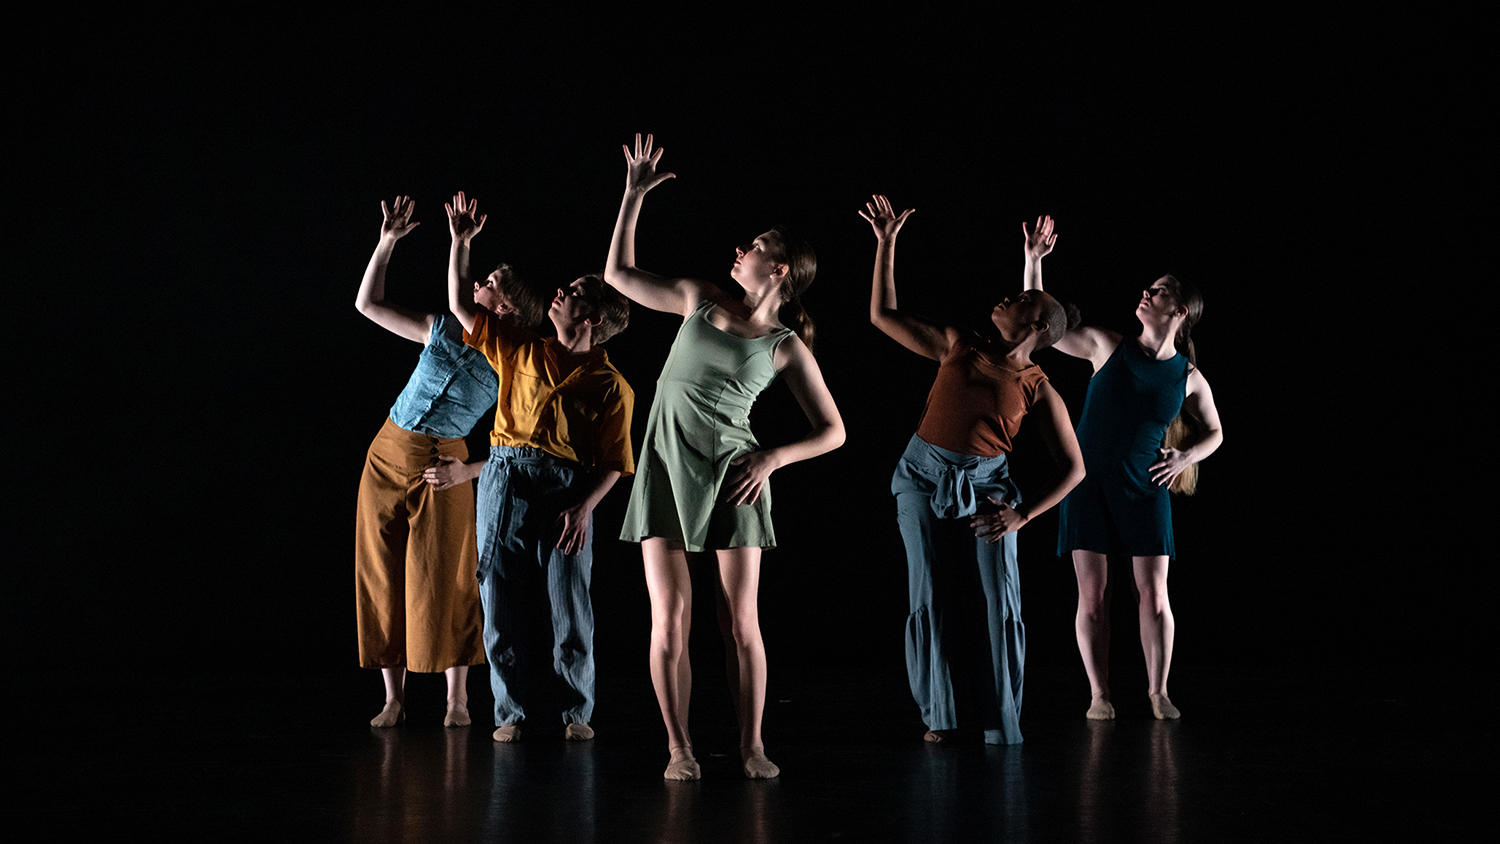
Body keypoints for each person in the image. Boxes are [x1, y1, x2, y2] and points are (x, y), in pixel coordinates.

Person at [605, 135, 845, 780]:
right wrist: (632, 196)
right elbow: (619, 276)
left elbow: (833, 431)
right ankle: (680, 749)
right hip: (665, 469)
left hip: (734, 476)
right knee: (670, 619)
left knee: (739, 622)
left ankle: (752, 747)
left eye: (755, 246)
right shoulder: (699, 297)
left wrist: (771, 460)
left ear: (780, 270)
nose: (741, 250)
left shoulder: (785, 344)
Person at [861, 195, 1086, 745]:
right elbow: (882, 316)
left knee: (999, 600)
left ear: (1035, 325)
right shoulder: (960, 343)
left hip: (988, 485)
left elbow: (1074, 468)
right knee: (929, 591)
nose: (1006, 298)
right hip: (921, 474)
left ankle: (1000, 720)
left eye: (1019, 300)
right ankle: (939, 714)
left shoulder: (1038, 386)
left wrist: (1022, 515)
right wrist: (886, 244)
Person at [446, 192, 635, 744]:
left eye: (573, 293)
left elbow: (615, 461)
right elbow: (460, 304)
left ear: (592, 317)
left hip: (567, 486)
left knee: (570, 598)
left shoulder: (611, 385)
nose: (560, 293)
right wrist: (460, 244)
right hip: (506, 475)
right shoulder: (521, 348)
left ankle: (577, 712)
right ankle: (509, 713)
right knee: (498, 591)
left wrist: (584, 507)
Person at [1023, 215, 1224, 720]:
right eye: (1149, 288)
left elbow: (1216, 432)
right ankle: (1099, 695)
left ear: (1178, 311)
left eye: (1159, 291)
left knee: (1153, 596)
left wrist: (1185, 456)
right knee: (1093, 597)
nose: (1146, 293)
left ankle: (1158, 692)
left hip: (1144, 489)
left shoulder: (1188, 376)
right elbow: (1042, 330)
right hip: (1088, 487)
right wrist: (1033, 262)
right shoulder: (1107, 345)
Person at [354, 196, 542, 728]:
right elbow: (369, 304)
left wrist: (468, 471)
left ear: (505, 308)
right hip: (388, 452)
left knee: (448, 575)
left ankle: (456, 700)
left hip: (445, 464)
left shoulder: (514, 364)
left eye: (490, 283)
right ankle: (394, 699)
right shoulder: (441, 327)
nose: (480, 284)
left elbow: (524, 446)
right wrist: (387, 243)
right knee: (382, 571)